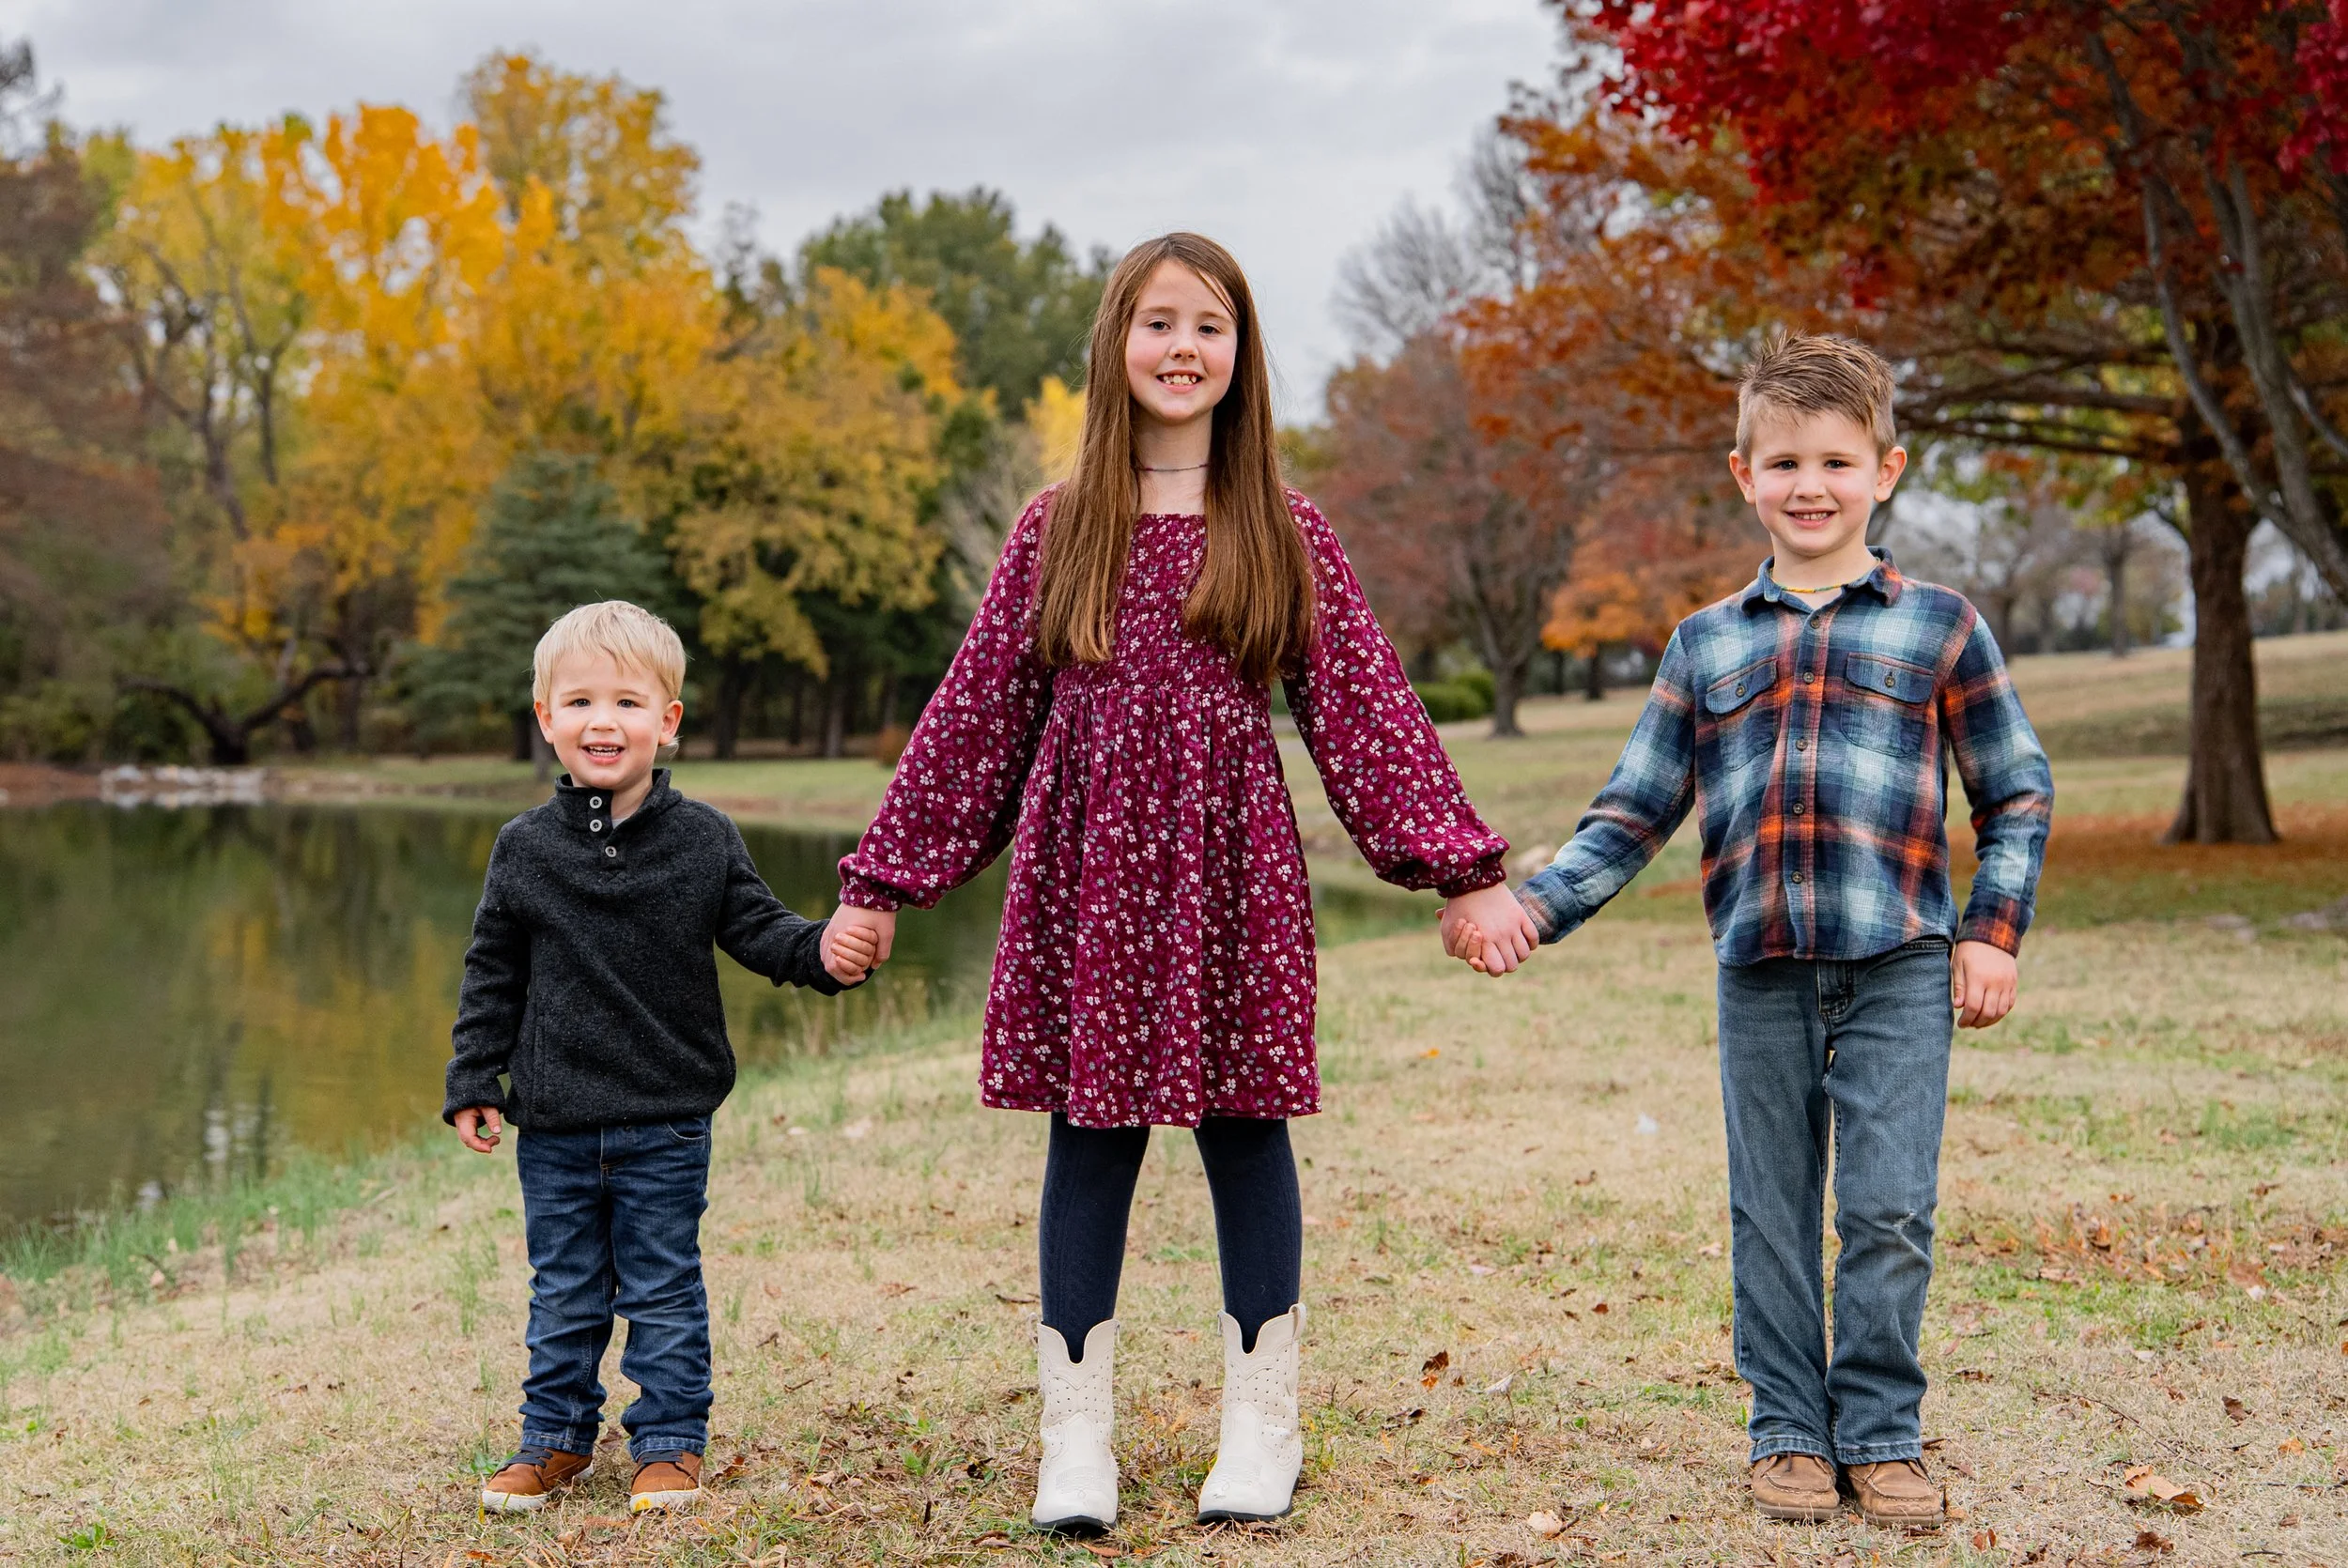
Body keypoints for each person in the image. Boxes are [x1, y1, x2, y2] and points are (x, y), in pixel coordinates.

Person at [823, 232, 1536, 1530]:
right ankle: (1074, 1438)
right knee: (1088, 1138)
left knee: (1243, 1128)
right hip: (1085, 873)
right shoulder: (1059, 526)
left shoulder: (1277, 524)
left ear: (1240, 356)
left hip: (1232, 876)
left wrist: (1461, 873)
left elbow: (1367, 714)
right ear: (1118, 346)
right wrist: (882, 881)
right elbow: (976, 718)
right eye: (1158, 322)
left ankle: (1264, 1421)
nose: (1183, 346)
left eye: (1210, 325)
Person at [1447, 332, 2051, 1529]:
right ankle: (1785, 1425)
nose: (1809, 485)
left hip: (1900, 963)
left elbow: (2014, 786)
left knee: (1888, 1205)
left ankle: (1878, 1431)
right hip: (1759, 970)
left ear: (1886, 469)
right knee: (1770, 1207)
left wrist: (1992, 928)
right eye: (1784, 462)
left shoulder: (1938, 626)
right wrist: (1531, 901)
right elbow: (1631, 810)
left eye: (1835, 460)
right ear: (1743, 474)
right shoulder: (1704, 642)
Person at [443, 601, 875, 1515]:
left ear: (668, 719)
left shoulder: (704, 838)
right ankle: (554, 1438)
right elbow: (492, 973)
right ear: (546, 718)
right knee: (564, 1288)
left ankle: (670, 1443)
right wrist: (473, 1078)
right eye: (581, 702)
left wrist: (824, 952)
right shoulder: (522, 849)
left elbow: (761, 932)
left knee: (662, 1284)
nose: (605, 721)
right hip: (554, 1121)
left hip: (665, 1117)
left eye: (630, 701)